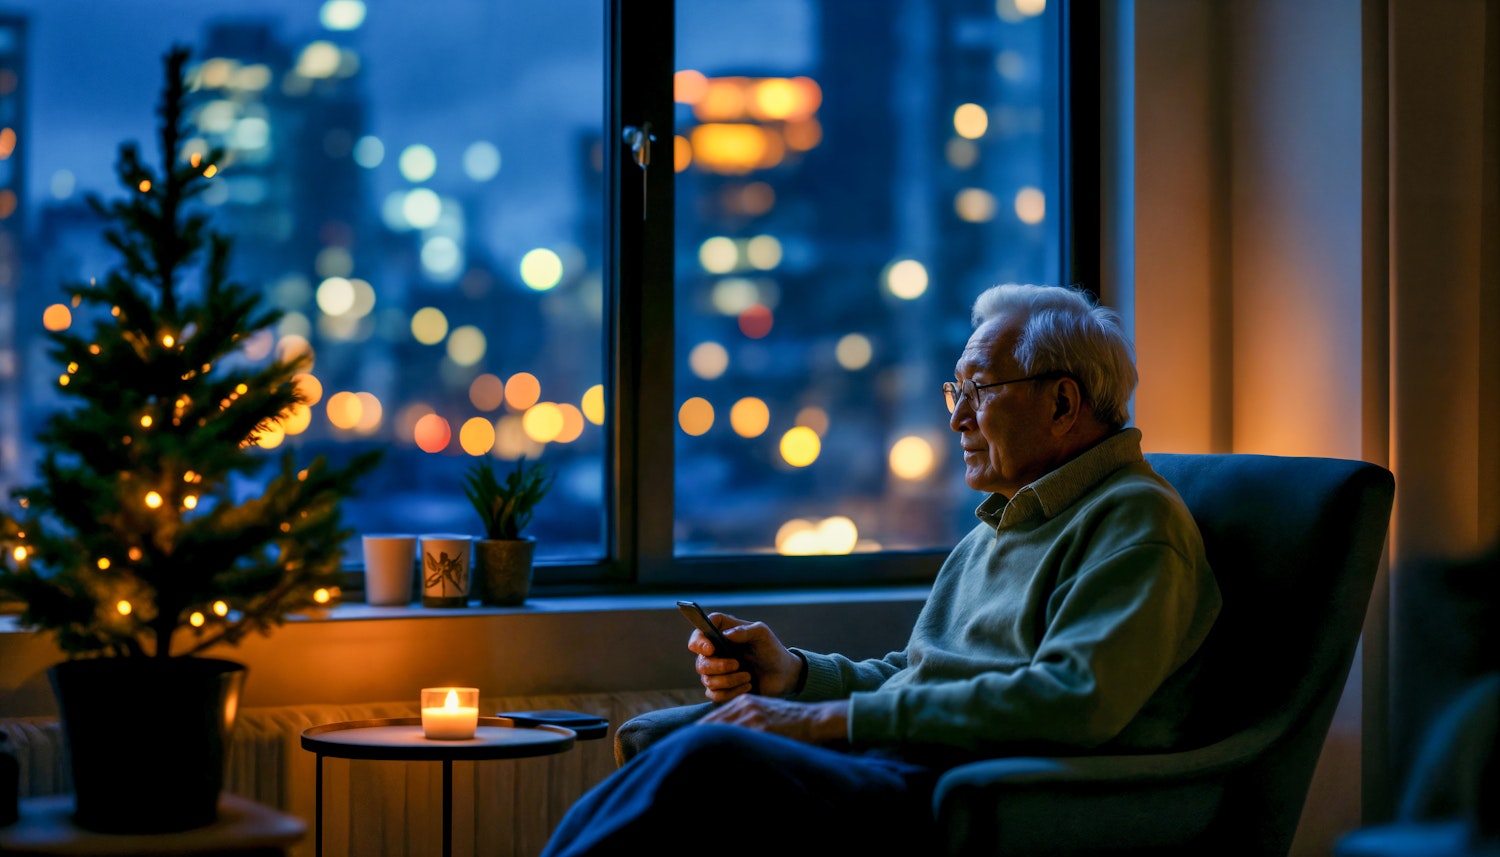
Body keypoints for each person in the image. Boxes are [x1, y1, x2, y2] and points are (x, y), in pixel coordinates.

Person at [540, 283, 1223, 856]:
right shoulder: (1007, 520)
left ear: (1063, 404)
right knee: (686, 741)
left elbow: (1073, 699)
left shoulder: (1136, 524)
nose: (956, 417)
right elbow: (918, 671)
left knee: (708, 760)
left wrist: (823, 720)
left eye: (979, 389)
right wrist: (798, 676)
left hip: (982, 790)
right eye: (955, 389)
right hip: (910, 761)